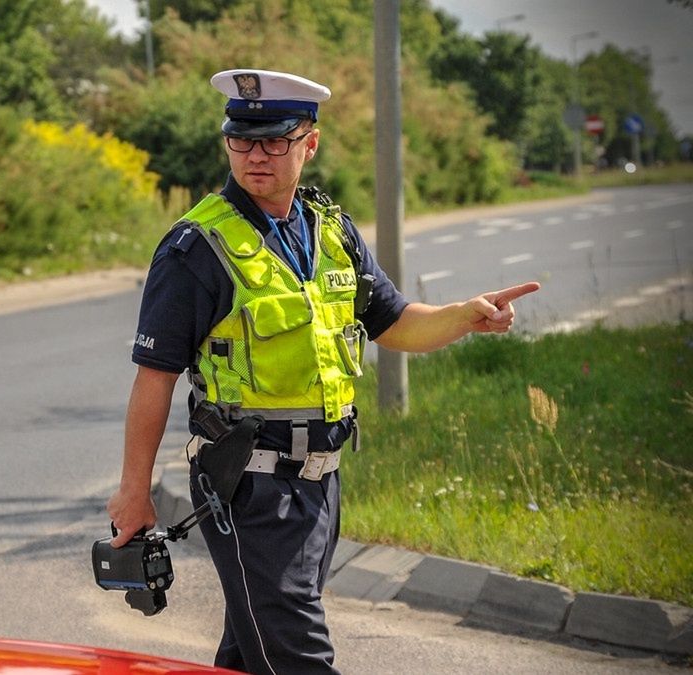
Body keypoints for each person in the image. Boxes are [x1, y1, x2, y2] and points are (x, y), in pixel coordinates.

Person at [106, 68, 540, 674]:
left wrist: (466, 316)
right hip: (248, 487)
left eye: (274, 140)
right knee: (298, 655)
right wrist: (134, 490)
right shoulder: (197, 247)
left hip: (320, 484)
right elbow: (154, 377)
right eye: (241, 139)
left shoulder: (329, 230)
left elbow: (394, 322)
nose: (256, 155)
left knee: (252, 651)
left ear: (310, 142)